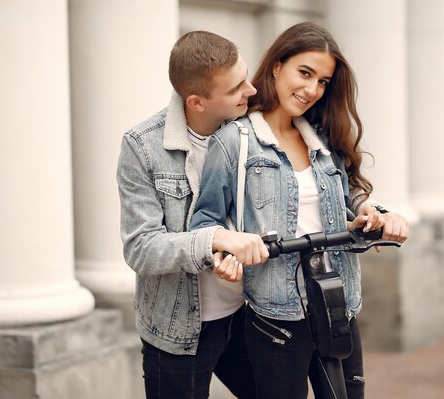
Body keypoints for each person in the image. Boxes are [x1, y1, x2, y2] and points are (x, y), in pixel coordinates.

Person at [190, 21, 409, 399]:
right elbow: (205, 223)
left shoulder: (322, 135)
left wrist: (374, 213)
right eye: (305, 73)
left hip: (338, 302)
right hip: (276, 316)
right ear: (277, 65)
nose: (312, 90)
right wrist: (224, 255)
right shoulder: (234, 142)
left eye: (322, 81)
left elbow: (348, 194)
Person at [116, 31, 269, 399]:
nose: (251, 90)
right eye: (236, 89)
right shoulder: (143, 146)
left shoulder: (251, 131)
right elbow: (141, 248)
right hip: (177, 328)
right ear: (197, 102)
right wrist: (214, 239)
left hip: (248, 313)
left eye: (245, 76)